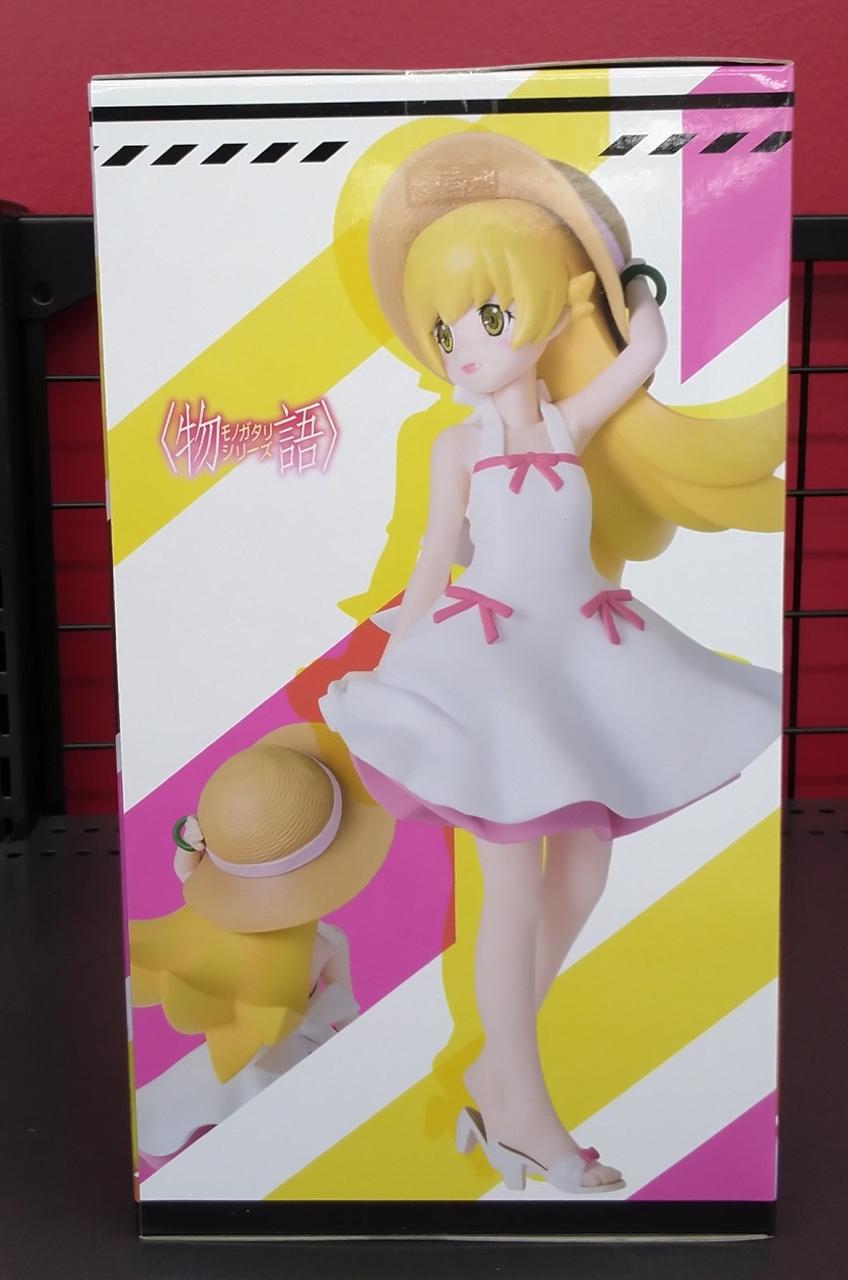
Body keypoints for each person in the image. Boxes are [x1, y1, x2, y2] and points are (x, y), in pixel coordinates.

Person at [319, 131, 783, 1194]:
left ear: (535, 310)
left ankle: (495, 1070)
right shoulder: (456, 447)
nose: (463, 349)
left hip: (578, 646)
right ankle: (524, 1118)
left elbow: (641, 353)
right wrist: (393, 672)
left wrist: (622, 290)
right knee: (513, 887)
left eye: (485, 319)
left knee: (583, 865)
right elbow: (431, 560)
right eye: (444, 332)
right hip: (492, 664)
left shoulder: (565, 428)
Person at [130, 722, 394, 1168]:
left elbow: (345, 1008)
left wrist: (358, 1054)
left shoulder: (327, 941)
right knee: (219, 1111)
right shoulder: (232, 928)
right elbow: (188, 875)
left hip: (293, 1055)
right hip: (252, 1056)